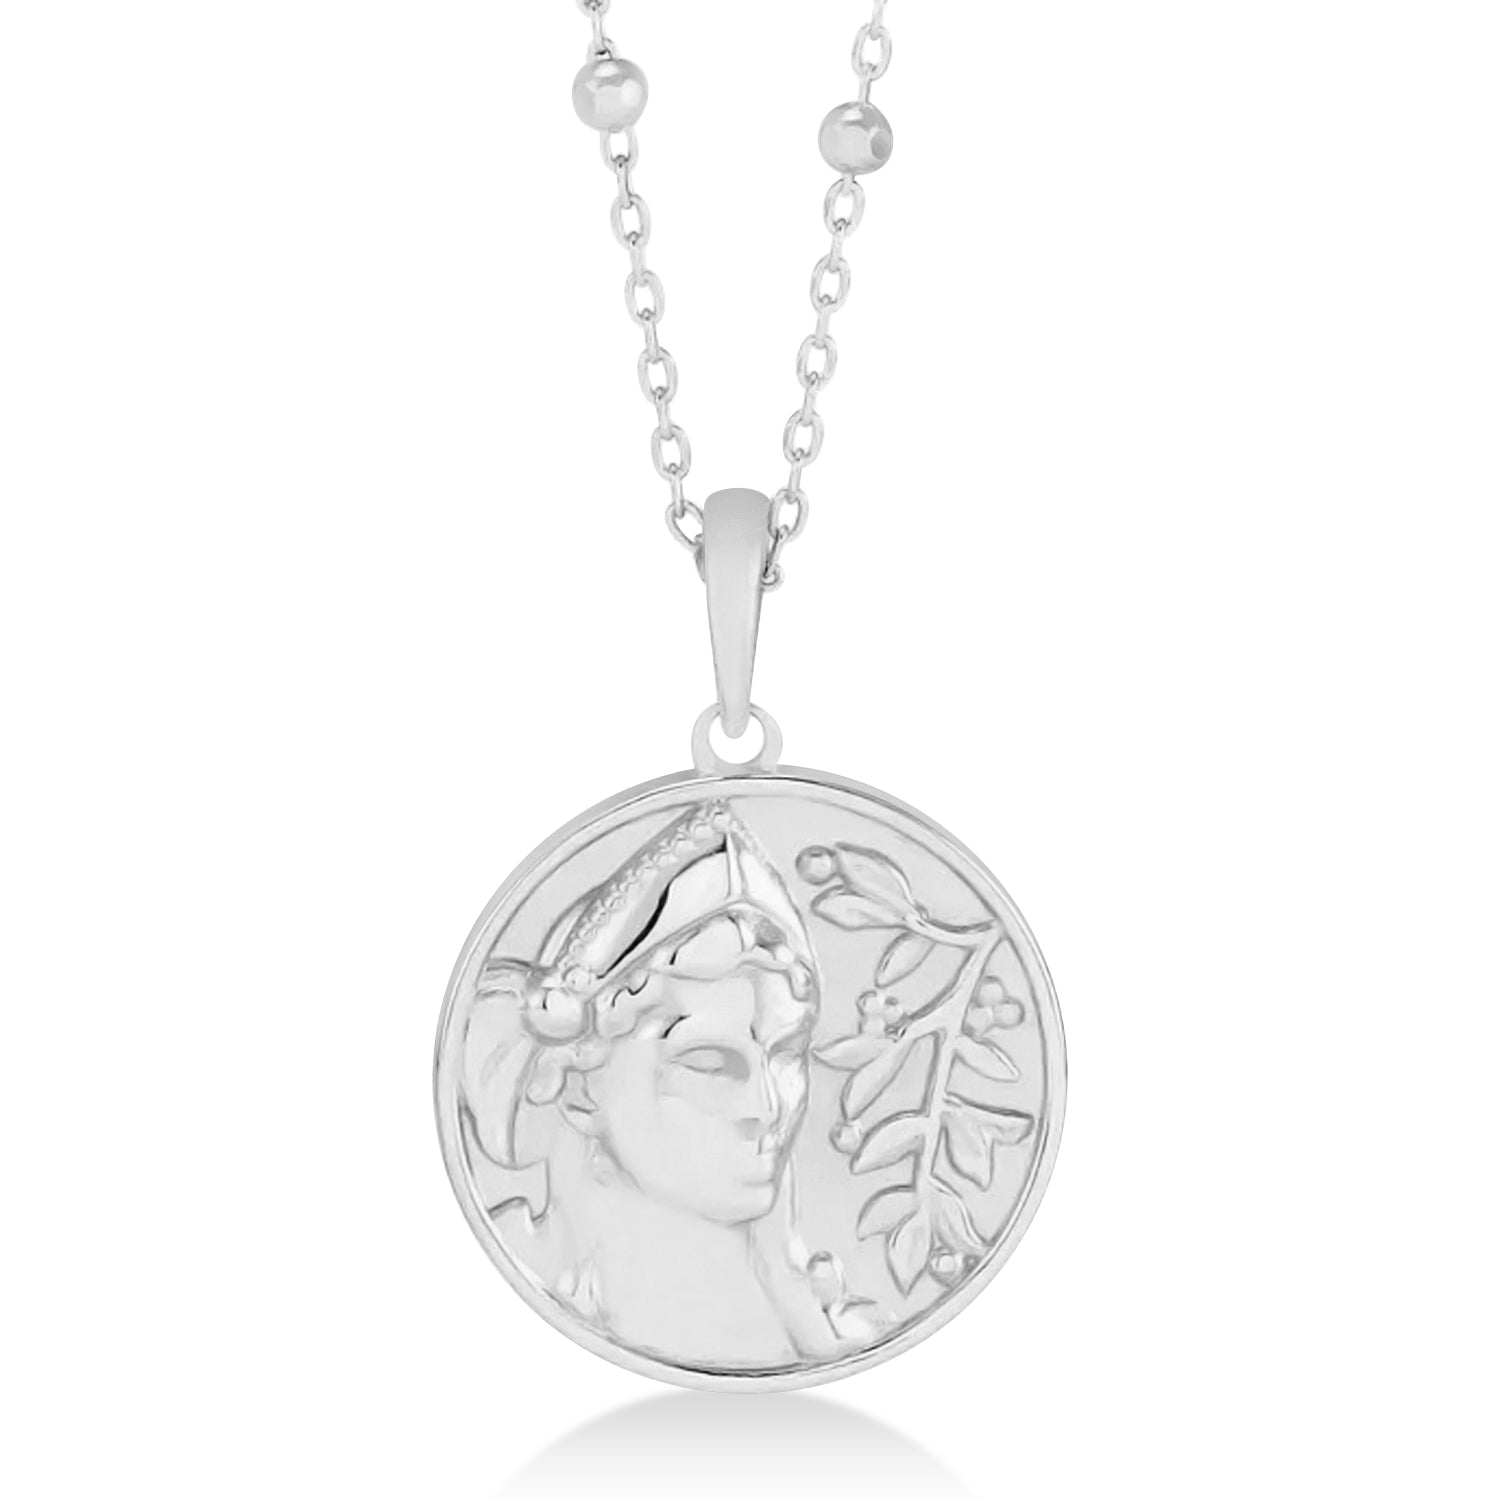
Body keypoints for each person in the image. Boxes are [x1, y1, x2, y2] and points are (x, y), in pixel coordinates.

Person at [460, 801, 879, 1366]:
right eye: (709, 1063)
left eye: (785, 1056)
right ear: (581, 1088)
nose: (768, 1109)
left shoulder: (828, 1324)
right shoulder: (490, 1307)